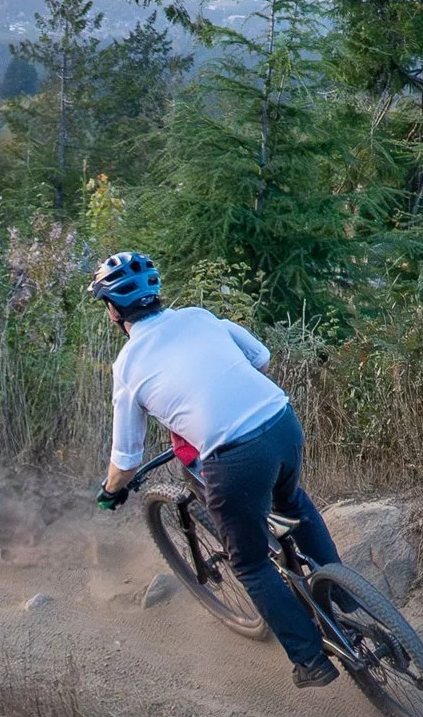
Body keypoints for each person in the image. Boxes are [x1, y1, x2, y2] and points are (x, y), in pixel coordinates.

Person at [87, 251, 345, 688]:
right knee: (292, 501)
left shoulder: (127, 366)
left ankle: (310, 660)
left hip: (236, 455)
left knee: (249, 563)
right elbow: (260, 356)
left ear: (113, 310)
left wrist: (111, 492)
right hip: (282, 421)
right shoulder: (199, 316)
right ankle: (345, 596)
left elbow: (126, 458)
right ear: (156, 294)